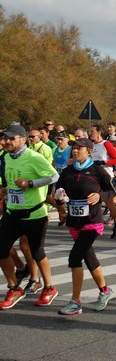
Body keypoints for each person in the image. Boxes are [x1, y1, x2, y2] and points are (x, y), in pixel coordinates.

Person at [0, 124, 59, 310]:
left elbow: (54, 176)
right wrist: (7, 190)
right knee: (1, 249)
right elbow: (13, 181)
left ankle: (49, 287)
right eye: (6, 138)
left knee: (37, 252)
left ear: (23, 139)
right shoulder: (8, 157)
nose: (7, 142)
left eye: (11, 138)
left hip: (34, 214)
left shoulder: (34, 157)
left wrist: (31, 183)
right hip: (12, 212)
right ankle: (13, 287)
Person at [54, 138, 114, 315]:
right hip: (74, 220)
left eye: (80, 148)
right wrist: (59, 196)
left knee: (74, 258)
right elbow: (57, 193)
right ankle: (105, 290)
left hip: (92, 221)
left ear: (89, 151)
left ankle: (75, 302)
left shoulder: (97, 171)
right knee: (89, 258)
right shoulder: (68, 171)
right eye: (74, 148)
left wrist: (100, 196)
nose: (75, 151)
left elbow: (113, 190)